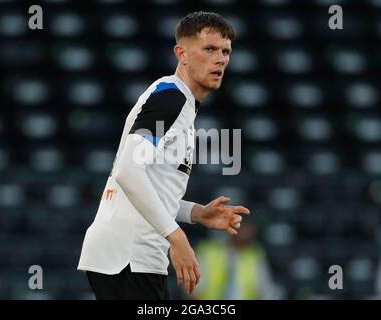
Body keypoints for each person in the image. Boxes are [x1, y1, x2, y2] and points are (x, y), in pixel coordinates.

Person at [77, 11, 250, 300]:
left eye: (225, 51)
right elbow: (127, 172)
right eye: (209, 49)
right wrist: (176, 236)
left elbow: (145, 183)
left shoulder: (180, 105)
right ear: (181, 53)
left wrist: (196, 214)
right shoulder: (171, 98)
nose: (220, 59)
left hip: (127, 256)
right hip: (130, 257)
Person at [192, 220, 284, 300]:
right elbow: (194, 292)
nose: (247, 232)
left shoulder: (255, 253)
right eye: (243, 227)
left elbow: (265, 289)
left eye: (249, 228)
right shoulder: (208, 250)